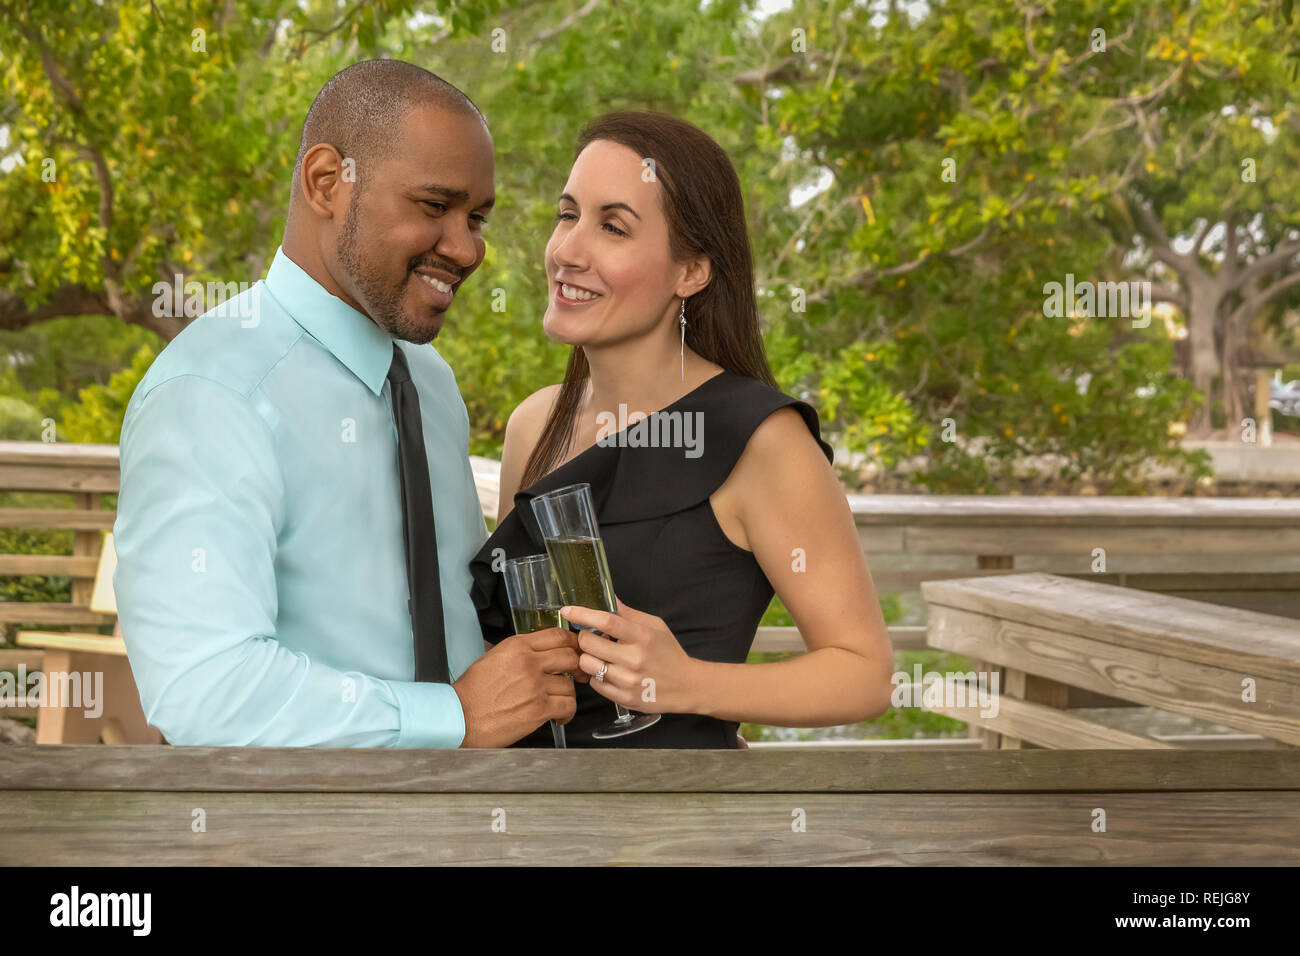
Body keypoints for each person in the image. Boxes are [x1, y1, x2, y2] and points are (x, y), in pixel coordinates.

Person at [113, 60, 579, 748]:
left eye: (475, 217)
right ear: (327, 182)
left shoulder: (430, 383)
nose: (466, 248)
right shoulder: (210, 393)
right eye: (433, 206)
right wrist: (452, 718)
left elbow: (457, 625)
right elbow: (204, 689)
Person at [469, 111, 895, 748]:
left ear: (691, 271)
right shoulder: (535, 424)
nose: (568, 251)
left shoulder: (763, 442)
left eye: (613, 226)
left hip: (671, 827)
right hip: (527, 813)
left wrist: (689, 683)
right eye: (567, 215)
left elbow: (866, 676)